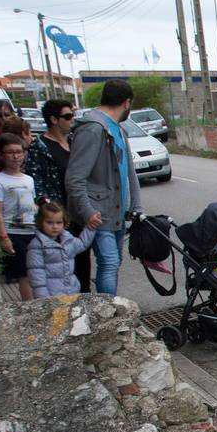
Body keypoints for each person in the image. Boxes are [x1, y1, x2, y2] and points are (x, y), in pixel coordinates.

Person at [66, 79, 141, 296]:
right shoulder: (93, 129)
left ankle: (109, 308)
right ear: (126, 103)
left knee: (113, 262)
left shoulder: (116, 129)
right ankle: (108, 312)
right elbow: (75, 176)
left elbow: (128, 173)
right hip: (99, 212)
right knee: (108, 262)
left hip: (117, 210)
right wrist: (87, 211)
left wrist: (136, 206)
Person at [24, 100, 89, 292]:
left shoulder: (74, 142)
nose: (72, 120)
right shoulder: (40, 147)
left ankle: (84, 305)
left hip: (78, 213)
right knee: (60, 269)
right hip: (57, 219)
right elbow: (36, 183)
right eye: (67, 116)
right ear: (53, 119)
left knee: (83, 264)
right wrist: (50, 209)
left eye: (72, 116)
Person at [0, 132, 38, 301]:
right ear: (2, 155)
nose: (16, 156)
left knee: (36, 271)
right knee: (24, 274)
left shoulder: (29, 179)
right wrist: (3, 236)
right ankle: (29, 305)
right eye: (10, 152)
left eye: (19, 151)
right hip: (14, 233)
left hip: (32, 231)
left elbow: (32, 204)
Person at [26, 198, 100, 299]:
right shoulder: (37, 246)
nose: (55, 226)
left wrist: (90, 228)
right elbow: (36, 274)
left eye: (59, 222)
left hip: (72, 291)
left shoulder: (67, 240)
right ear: (40, 222)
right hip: (51, 296)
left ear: (64, 223)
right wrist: (43, 299)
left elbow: (82, 244)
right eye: (49, 222)